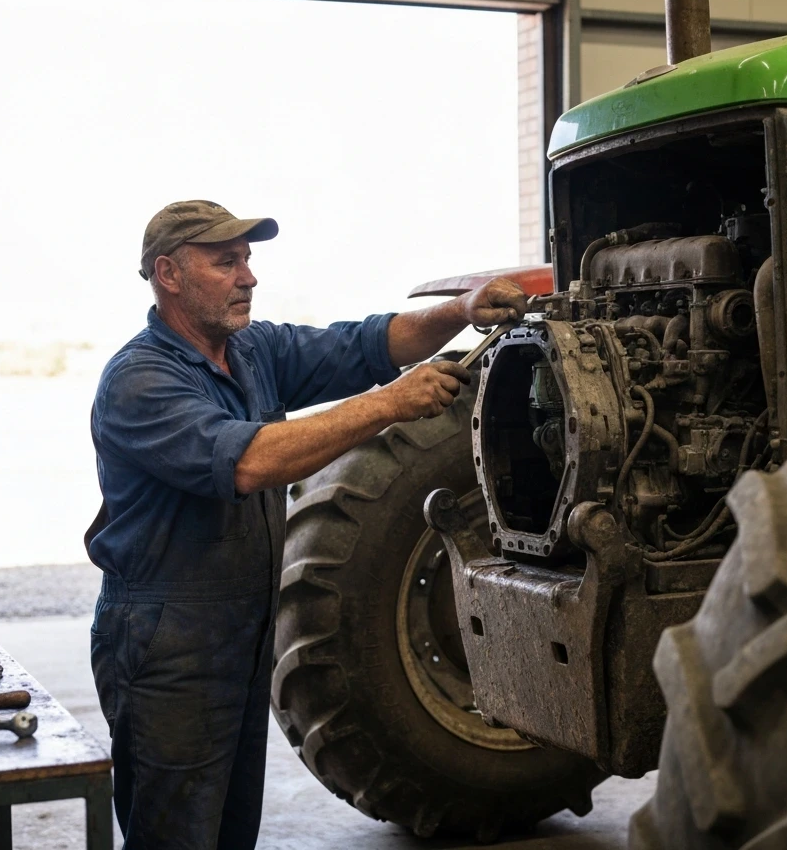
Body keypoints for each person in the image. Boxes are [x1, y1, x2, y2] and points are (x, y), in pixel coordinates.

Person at [87, 200, 528, 850]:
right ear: (169, 275)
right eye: (226, 262)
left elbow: (369, 343)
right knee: (175, 836)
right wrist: (389, 404)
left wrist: (459, 312)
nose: (248, 277)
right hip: (168, 644)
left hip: (239, 636)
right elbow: (250, 460)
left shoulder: (253, 351)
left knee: (229, 831)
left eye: (248, 259)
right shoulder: (139, 381)